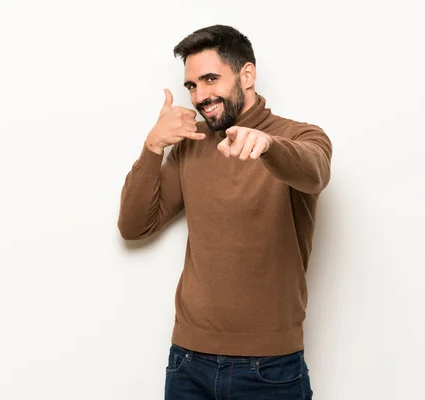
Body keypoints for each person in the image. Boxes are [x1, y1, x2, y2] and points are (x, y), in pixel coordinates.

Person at [117, 24, 332, 400]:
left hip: (271, 366)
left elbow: (314, 173)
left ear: (247, 75)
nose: (200, 96)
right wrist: (153, 147)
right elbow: (135, 226)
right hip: (188, 362)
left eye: (211, 79)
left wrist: (268, 145)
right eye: (191, 85)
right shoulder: (191, 146)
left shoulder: (300, 136)